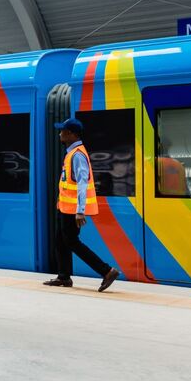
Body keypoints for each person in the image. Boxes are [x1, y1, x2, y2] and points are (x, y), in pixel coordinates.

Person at [44, 118, 120, 292]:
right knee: (60, 241)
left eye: (62, 131)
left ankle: (107, 271)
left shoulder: (77, 155)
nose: (60, 134)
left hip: (73, 210)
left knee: (72, 242)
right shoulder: (72, 153)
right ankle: (63, 277)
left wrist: (80, 211)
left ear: (72, 134)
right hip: (65, 207)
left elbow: (82, 183)